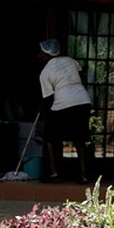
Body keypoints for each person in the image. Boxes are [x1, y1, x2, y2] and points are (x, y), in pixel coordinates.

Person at [37, 39, 93, 183]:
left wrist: (43, 114)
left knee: (49, 136)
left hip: (63, 103)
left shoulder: (45, 72)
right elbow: (81, 75)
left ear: (47, 54)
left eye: (41, 53)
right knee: (79, 138)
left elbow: (48, 98)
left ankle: (54, 172)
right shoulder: (70, 61)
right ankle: (84, 174)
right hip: (83, 100)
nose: (39, 56)